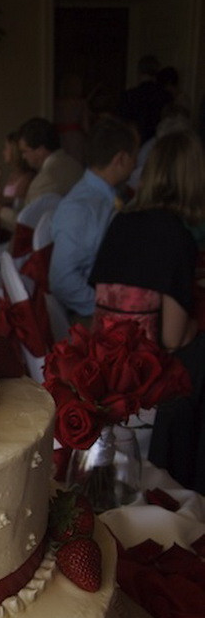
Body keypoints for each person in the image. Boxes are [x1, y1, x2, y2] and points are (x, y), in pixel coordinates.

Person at [89, 129, 205, 491]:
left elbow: (102, 306)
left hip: (106, 368)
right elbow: (171, 338)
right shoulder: (177, 235)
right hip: (147, 378)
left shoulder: (122, 223)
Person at [49, 117, 138, 322]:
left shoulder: (109, 197)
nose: (136, 164)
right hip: (91, 315)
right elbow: (63, 281)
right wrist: (111, 309)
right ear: (121, 159)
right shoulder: (81, 208)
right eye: (134, 156)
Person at [17, 117, 83, 208]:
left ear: (40, 150)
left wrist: (1, 211)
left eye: (25, 151)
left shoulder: (44, 181)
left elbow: (28, 221)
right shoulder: (76, 165)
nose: (23, 157)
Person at [0, 132, 35, 231]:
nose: (3, 152)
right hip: (5, 222)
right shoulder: (13, 175)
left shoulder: (27, 177)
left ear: (15, 151)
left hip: (14, 226)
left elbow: (7, 203)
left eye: (6, 148)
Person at [118, 55, 172, 146]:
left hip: (135, 145)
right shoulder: (165, 96)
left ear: (139, 72)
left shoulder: (129, 96)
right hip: (159, 145)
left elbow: (123, 124)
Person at [53, 73, 90, 165]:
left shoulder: (55, 102)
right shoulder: (81, 103)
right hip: (76, 139)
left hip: (59, 136)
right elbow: (86, 126)